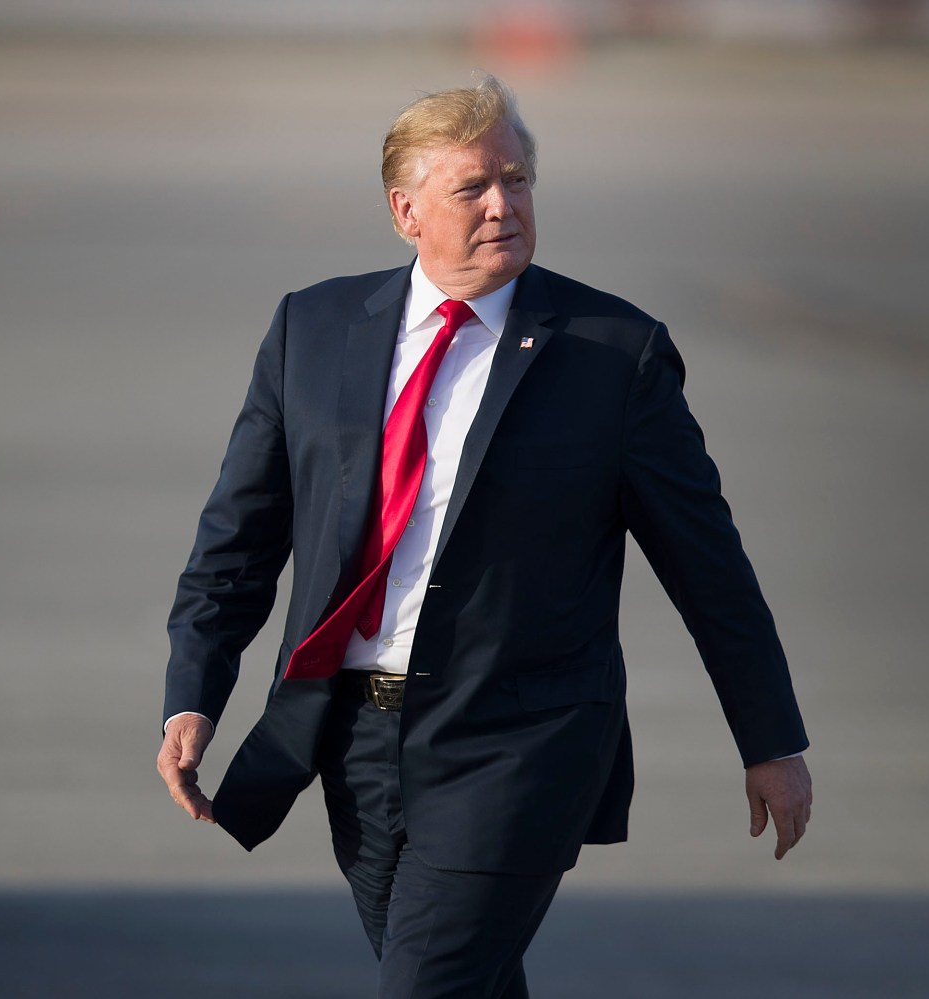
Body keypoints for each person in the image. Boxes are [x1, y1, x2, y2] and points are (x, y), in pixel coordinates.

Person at [156, 75, 811, 998]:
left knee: (426, 984)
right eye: (473, 188)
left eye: (518, 179)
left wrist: (770, 740)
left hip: (518, 745)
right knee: (468, 981)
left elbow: (710, 568)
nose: (504, 204)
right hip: (353, 740)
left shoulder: (612, 353)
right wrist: (194, 693)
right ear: (406, 211)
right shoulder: (315, 327)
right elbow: (238, 538)